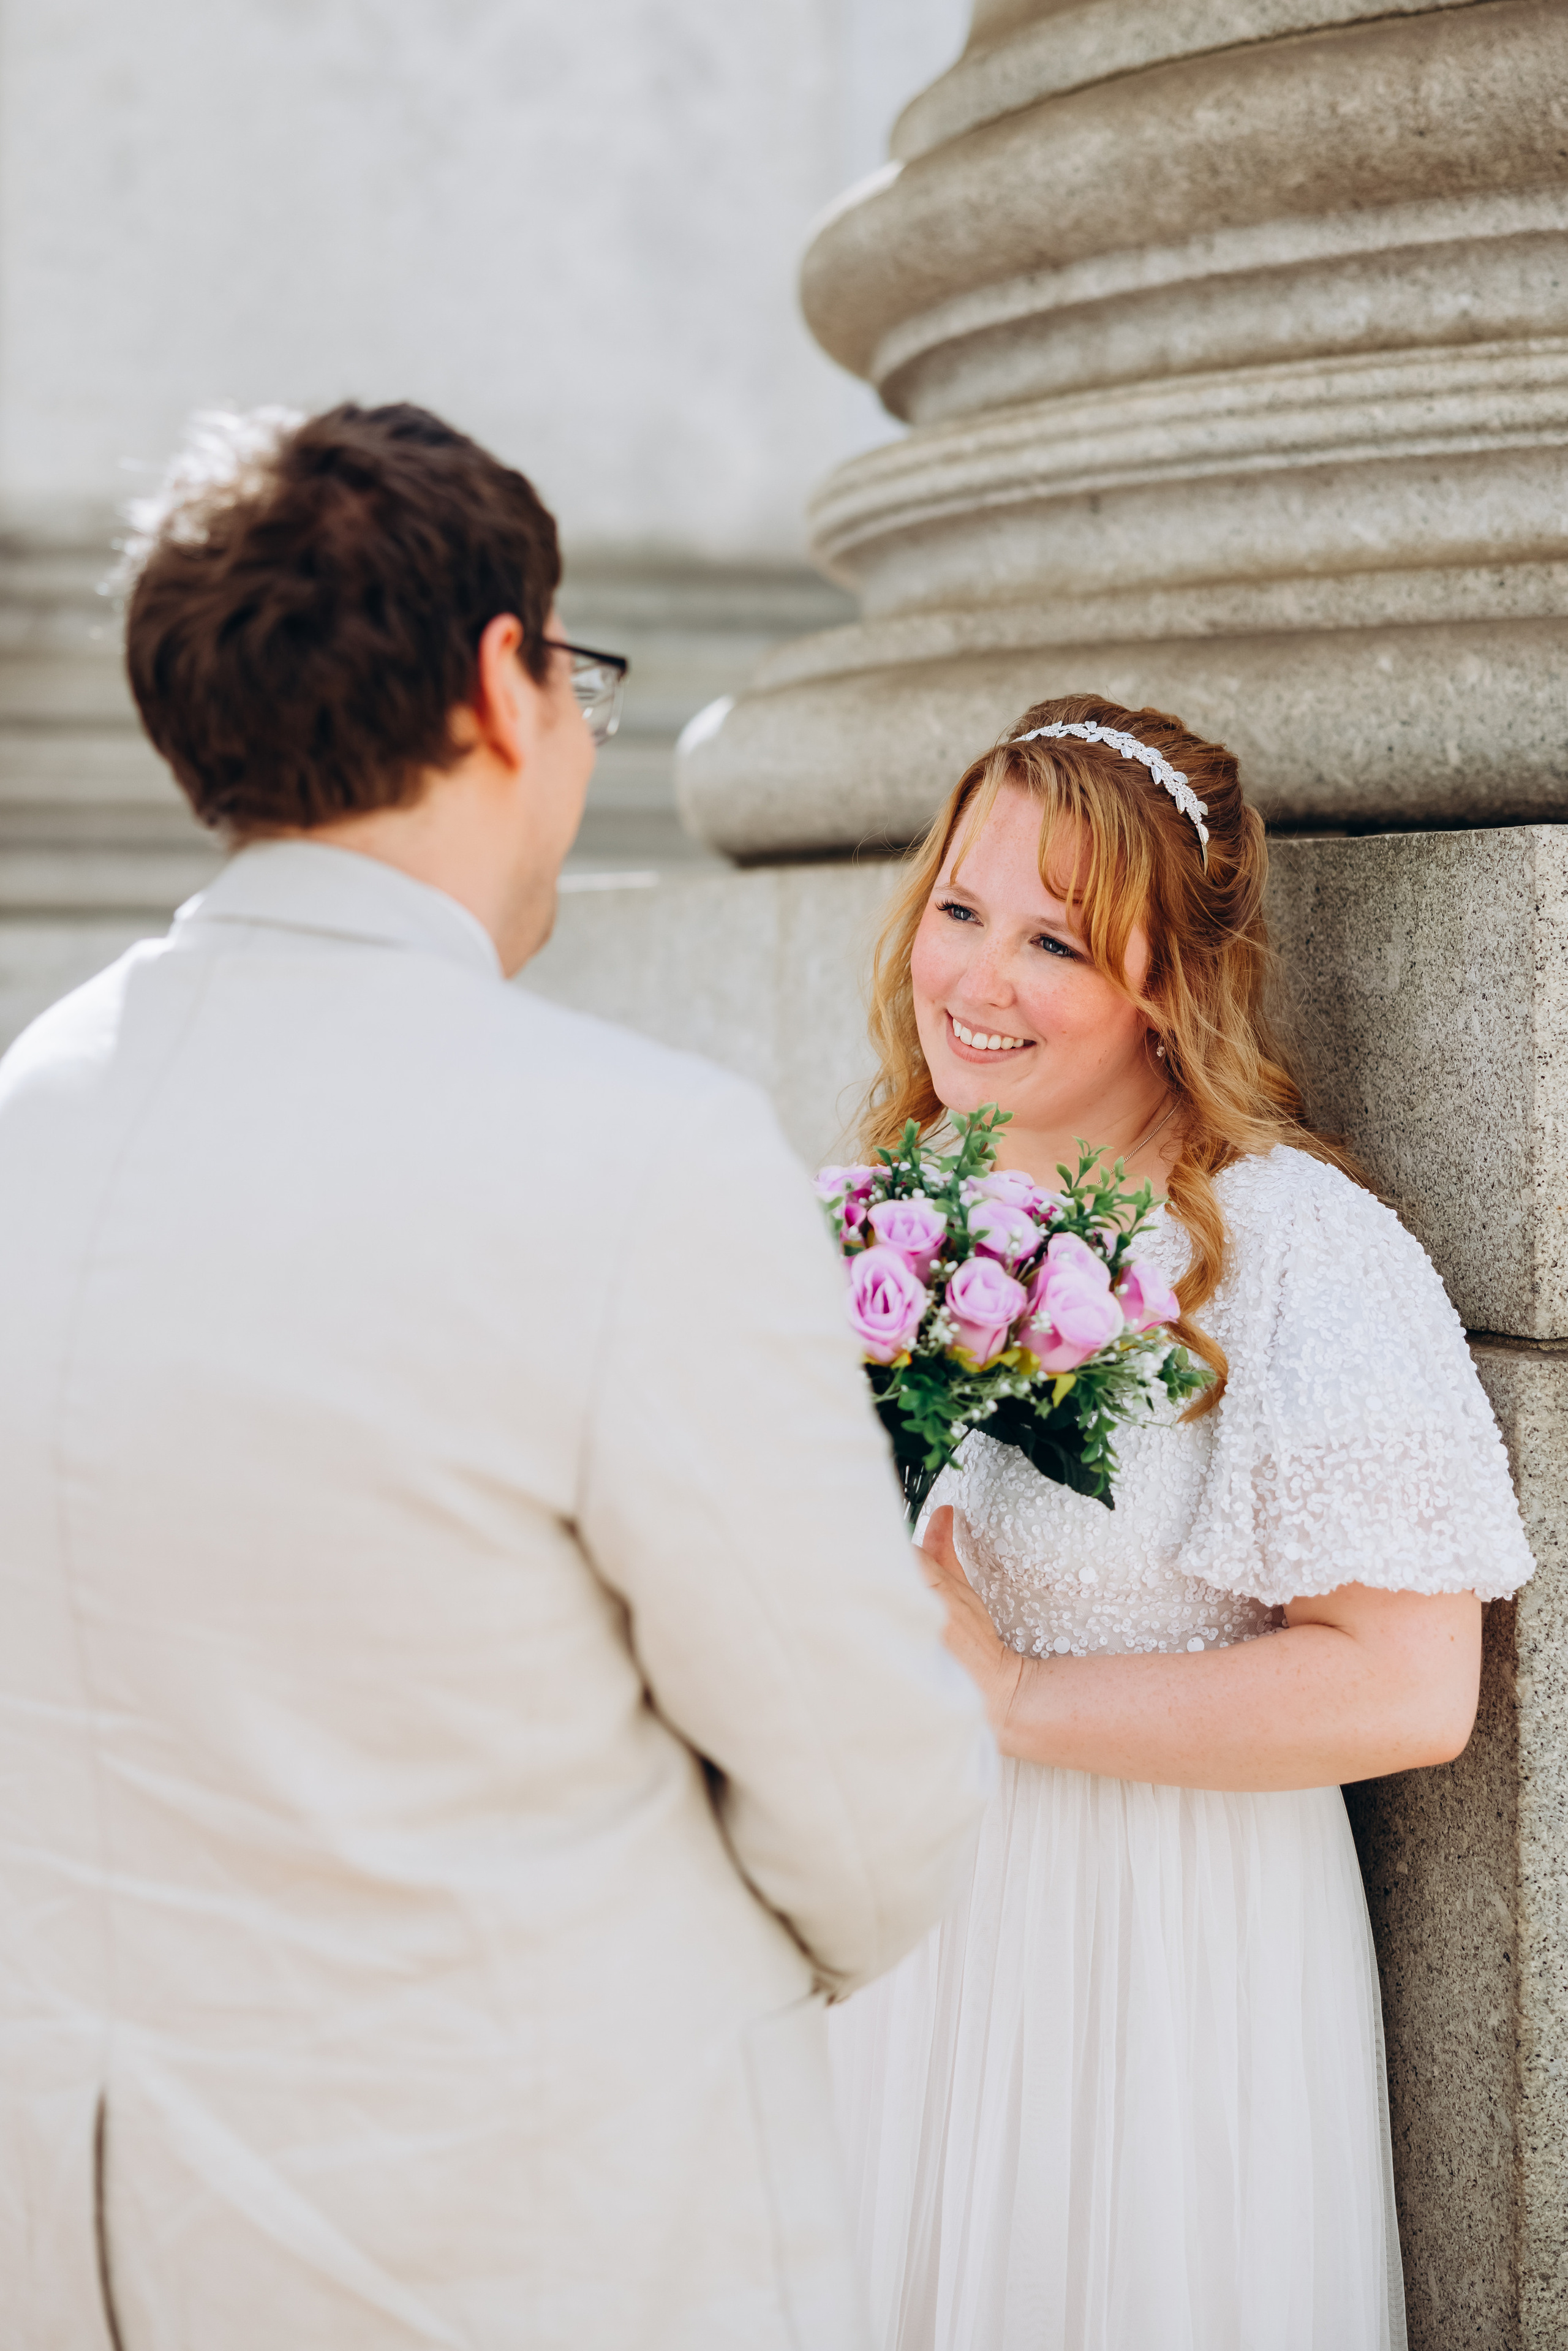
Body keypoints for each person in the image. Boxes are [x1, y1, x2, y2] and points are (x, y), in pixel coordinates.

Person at [0, 402, 992, 2351]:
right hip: (536, 2233)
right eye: (575, 676)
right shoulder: (637, 1155)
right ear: (502, 686)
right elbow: (872, 1813)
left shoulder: (27, 1115)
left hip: (88, 2235)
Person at [828, 695, 1535, 2351]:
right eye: (960, 910)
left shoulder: (1297, 1247)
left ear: (1165, 981)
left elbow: (1406, 1692)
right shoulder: (883, 1207)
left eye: (1056, 943)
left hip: (1152, 1972)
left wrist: (1021, 1700)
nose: (978, 981)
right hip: (896, 1953)